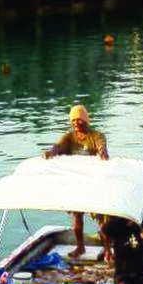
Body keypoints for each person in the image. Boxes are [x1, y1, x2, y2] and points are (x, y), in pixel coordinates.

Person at [43, 103, 111, 259]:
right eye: (73, 121)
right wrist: (51, 152)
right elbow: (58, 147)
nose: (76, 124)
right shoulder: (69, 137)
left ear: (86, 121)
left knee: (101, 219)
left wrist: (103, 152)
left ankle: (108, 249)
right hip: (77, 184)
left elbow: (102, 146)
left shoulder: (96, 136)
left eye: (80, 120)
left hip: (95, 183)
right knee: (77, 218)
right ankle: (80, 247)